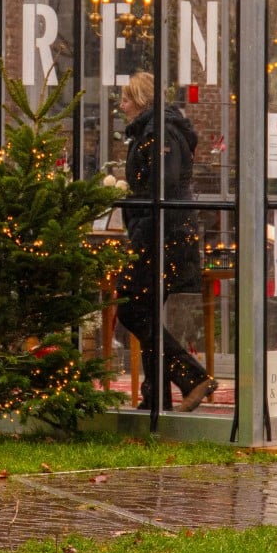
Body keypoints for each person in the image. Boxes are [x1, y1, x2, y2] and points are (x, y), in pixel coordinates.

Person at [118, 71, 217, 412]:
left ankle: (191, 377)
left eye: (127, 98)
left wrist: (135, 208)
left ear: (143, 101)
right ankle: (155, 397)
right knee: (143, 311)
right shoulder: (154, 132)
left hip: (161, 236)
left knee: (133, 308)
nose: (122, 104)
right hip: (158, 233)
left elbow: (163, 187)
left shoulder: (160, 134)